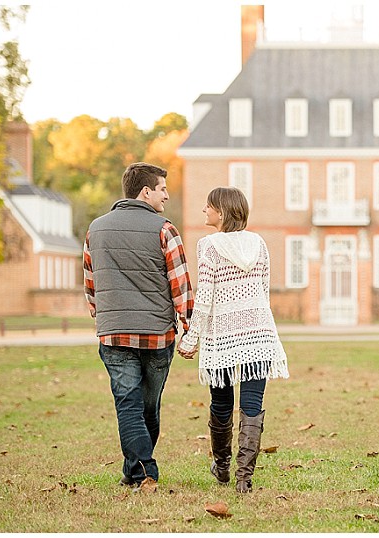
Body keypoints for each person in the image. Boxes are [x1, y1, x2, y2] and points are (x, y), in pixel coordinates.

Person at [83, 162, 193, 489]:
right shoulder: (165, 230)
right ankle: (145, 472)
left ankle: (134, 472)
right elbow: (181, 285)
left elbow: (91, 284)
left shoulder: (96, 229)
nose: (167, 196)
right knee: (147, 407)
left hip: (113, 332)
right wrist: (188, 326)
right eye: (162, 189)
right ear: (146, 191)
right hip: (157, 336)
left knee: (130, 405)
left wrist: (100, 312)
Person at [177, 186, 289, 493]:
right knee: (252, 404)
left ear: (222, 212)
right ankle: (244, 479)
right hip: (259, 334)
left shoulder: (209, 245)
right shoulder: (259, 243)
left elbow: (205, 298)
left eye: (209, 206)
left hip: (224, 337)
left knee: (222, 402)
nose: (204, 210)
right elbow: (263, 291)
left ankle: (223, 467)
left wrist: (191, 338)